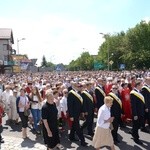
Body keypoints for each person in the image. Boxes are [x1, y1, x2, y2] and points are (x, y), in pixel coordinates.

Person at [67, 81, 87, 146]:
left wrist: (83, 111)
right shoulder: (71, 93)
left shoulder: (79, 93)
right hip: (73, 114)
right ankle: (83, 141)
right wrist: (71, 116)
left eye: (80, 86)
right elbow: (69, 106)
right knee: (77, 127)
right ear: (75, 86)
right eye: (79, 86)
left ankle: (71, 137)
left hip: (78, 113)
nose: (80, 87)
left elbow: (81, 103)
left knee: (74, 126)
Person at [130, 80, 145, 145]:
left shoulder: (139, 91)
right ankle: (136, 138)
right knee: (136, 125)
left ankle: (133, 133)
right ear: (138, 86)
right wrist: (135, 114)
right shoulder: (133, 93)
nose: (142, 86)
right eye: (141, 85)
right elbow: (133, 105)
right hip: (137, 113)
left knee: (137, 125)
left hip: (141, 111)